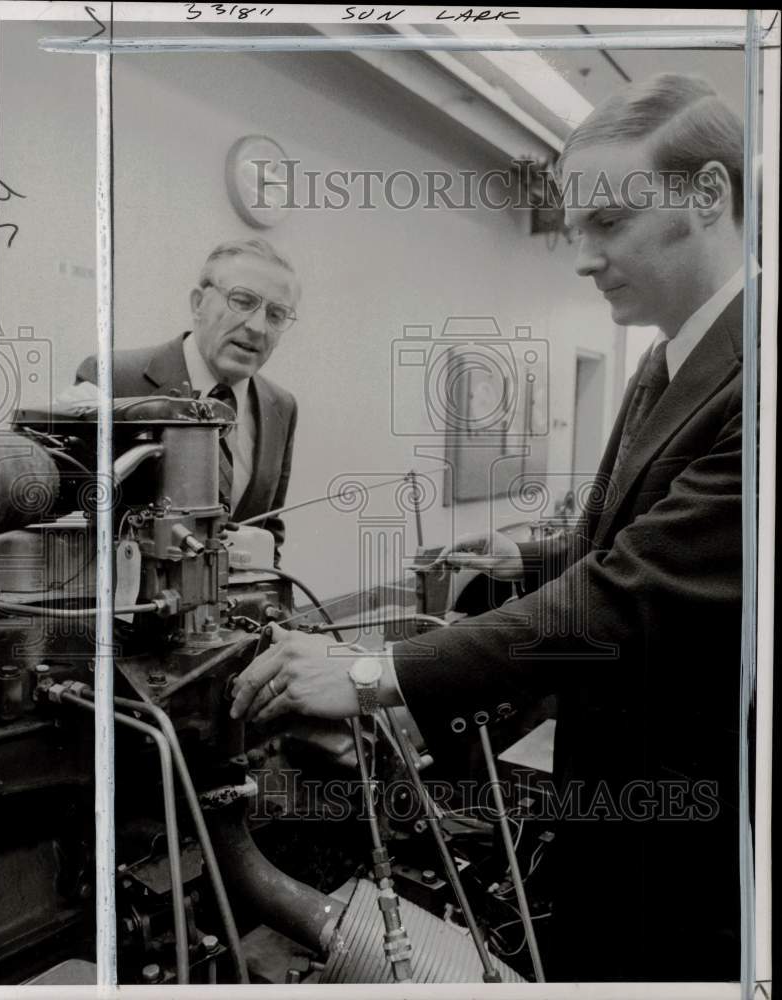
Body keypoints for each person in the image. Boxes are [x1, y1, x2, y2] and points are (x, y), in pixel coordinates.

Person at [229, 75, 750, 982]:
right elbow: (612, 540)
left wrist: (372, 673)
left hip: (689, 836)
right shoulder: (667, 357)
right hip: (607, 807)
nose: (583, 256)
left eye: (609, 222)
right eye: (576, 226)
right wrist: (531, 552)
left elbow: (628, 596)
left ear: (708, 195)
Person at [76, 238, 300, 560]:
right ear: (198, 304)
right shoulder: (111, 379)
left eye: (276, 315)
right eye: (242, 300)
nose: (257, 327)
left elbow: (269, 530)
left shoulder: (282, 407)